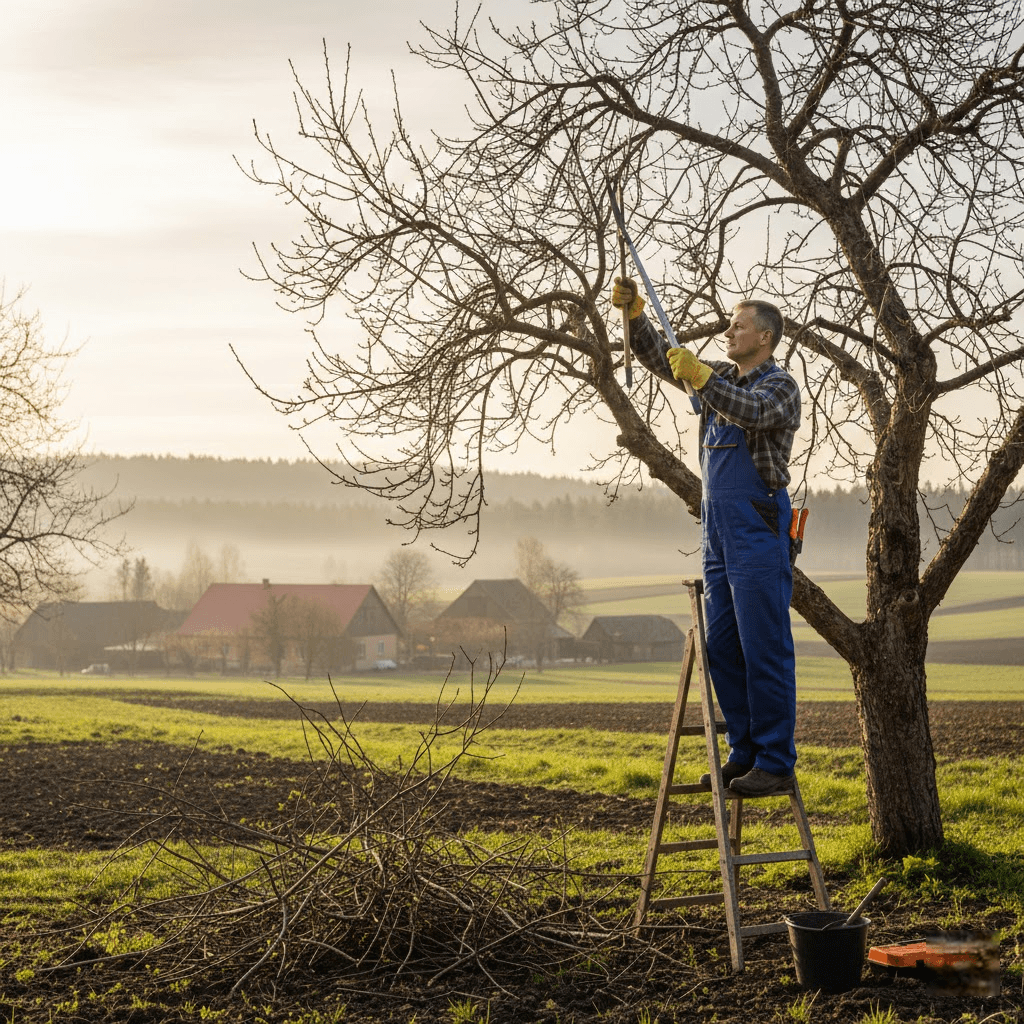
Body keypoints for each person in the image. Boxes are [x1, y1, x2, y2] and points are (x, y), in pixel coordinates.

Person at [611, 278, 801, 796]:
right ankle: (745, 750)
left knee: (765, 647)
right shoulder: (717, 376)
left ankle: (777, 759)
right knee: (722, 646)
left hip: (758, 526)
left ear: (764, 337)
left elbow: (752, 412)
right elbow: (658, 357)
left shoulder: (779, 386)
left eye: (738, 325)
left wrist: (702, 379)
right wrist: (634, 318)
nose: (728, 331)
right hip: (716, 530)